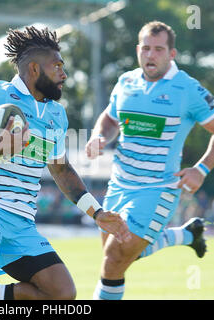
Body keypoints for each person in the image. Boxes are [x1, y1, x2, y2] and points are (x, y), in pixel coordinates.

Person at [0, 26, 131, 300]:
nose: (64, 74)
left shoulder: (57, 115)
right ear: (33, 70)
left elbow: (61, 170)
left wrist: (98, 214)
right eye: (57, 67)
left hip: (22, 224)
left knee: (62, 294)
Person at [85, 21, 214, 300]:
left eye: (158, 49)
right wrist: (99, 136)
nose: (150, 55)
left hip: (158, 190)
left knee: (115, 258)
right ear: (137, 50)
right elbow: (109, 118)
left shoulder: (188, 89)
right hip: (118, 185)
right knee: (119, 255)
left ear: (172, 54)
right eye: (145, 48)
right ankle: (188, 235)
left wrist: (202, 168)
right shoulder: (126, 82)